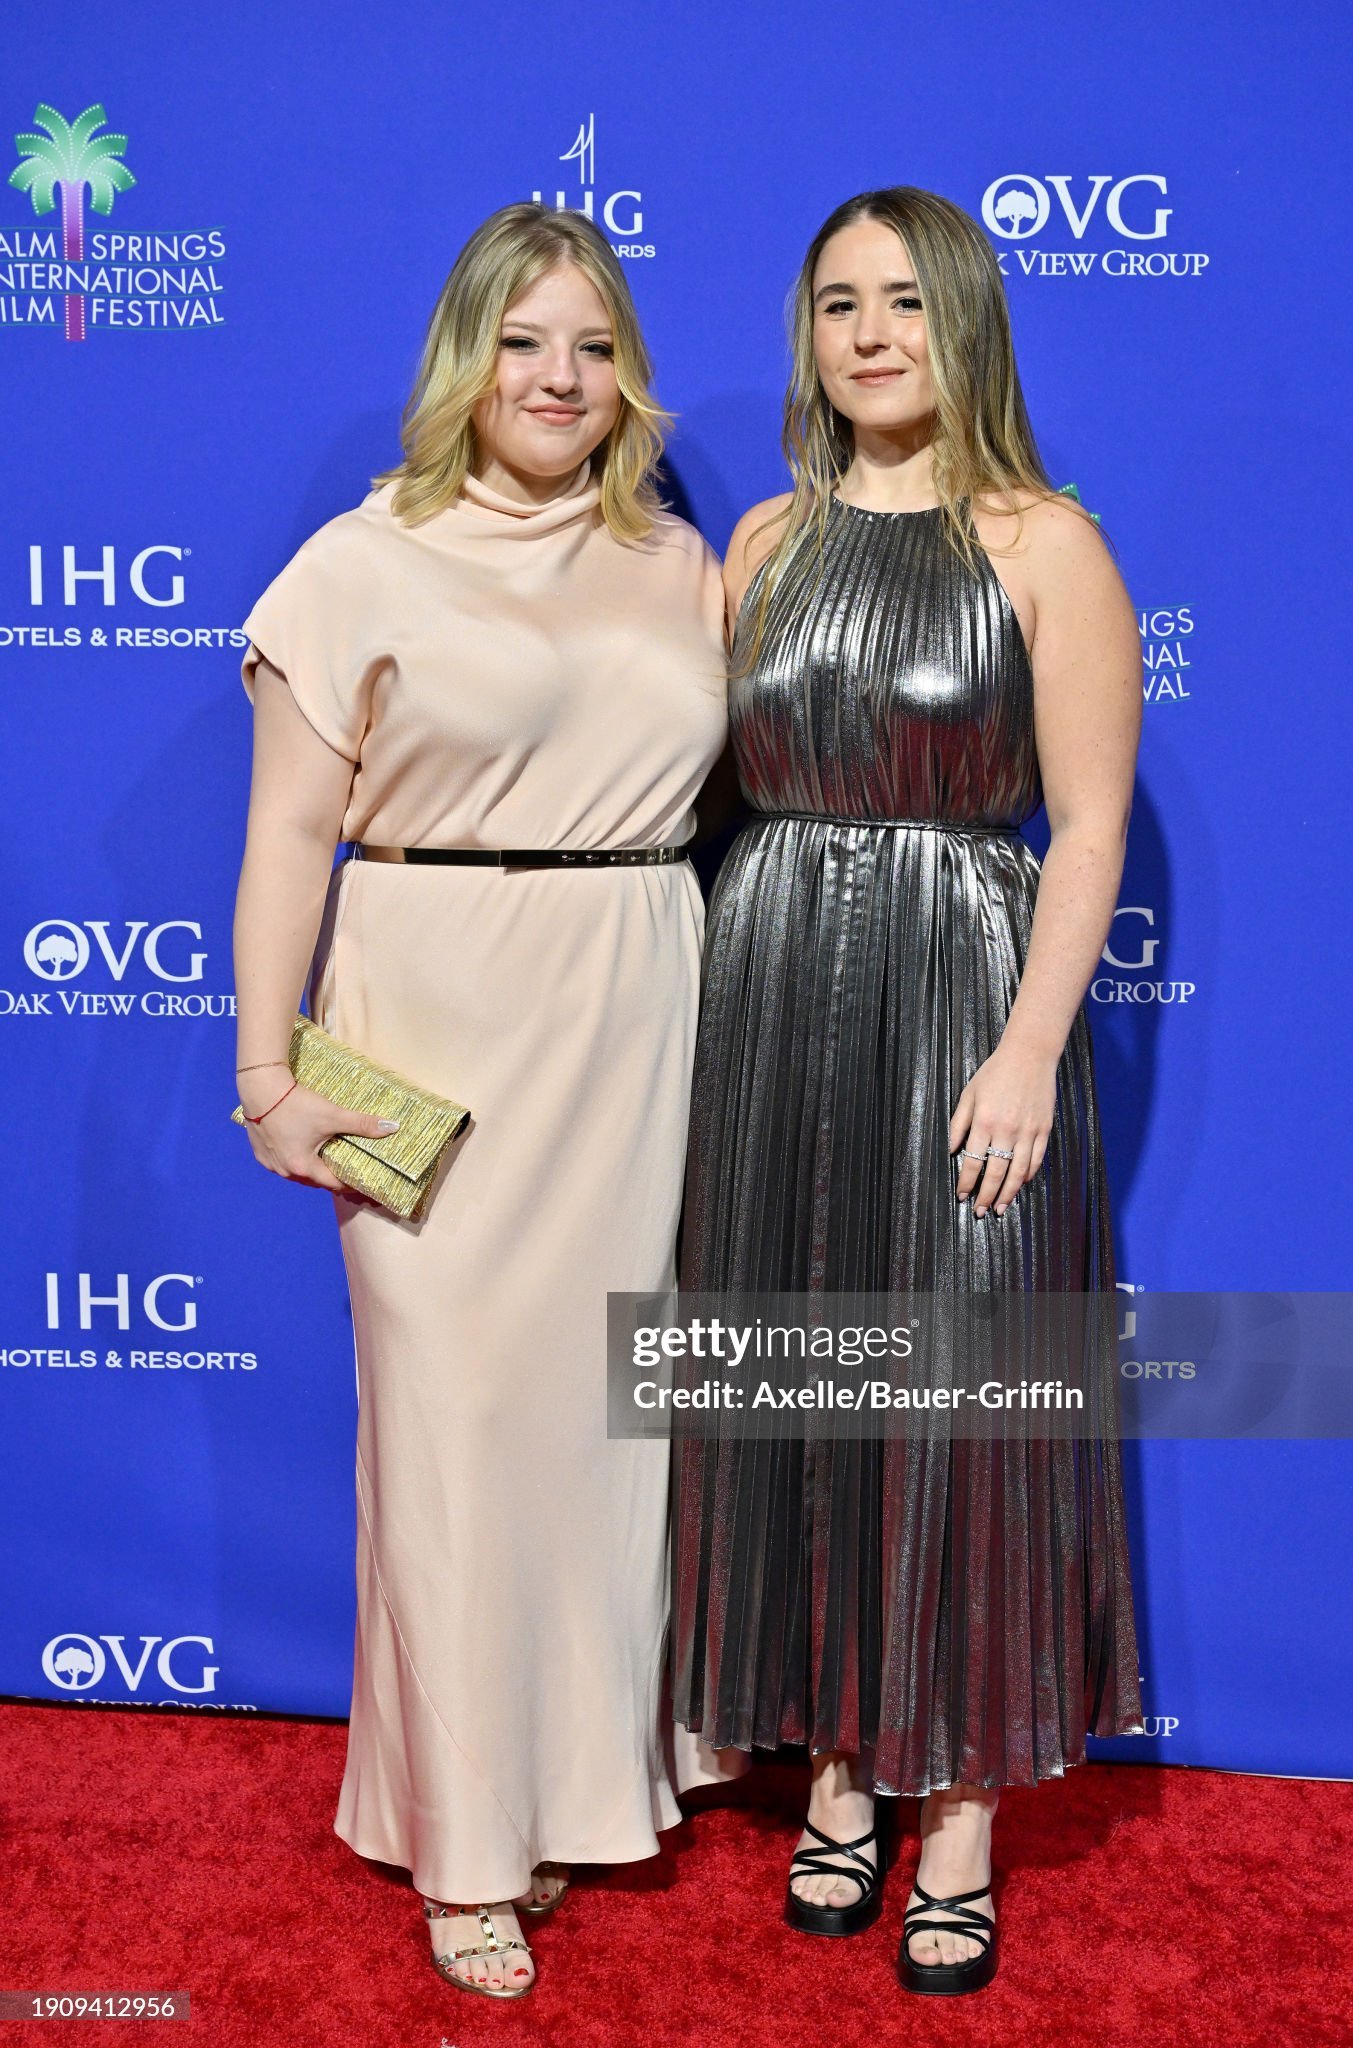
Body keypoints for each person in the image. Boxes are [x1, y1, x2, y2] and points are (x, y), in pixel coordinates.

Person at [232, 202, 727, 2000]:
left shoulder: (679, 562)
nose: (560, 378)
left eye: (594, 346)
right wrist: (266, 1072)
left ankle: (587, 1784)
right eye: (525, 341)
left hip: (635, 1014)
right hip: (430, 1024)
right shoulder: (357, 565)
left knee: (602, 1440)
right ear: (466, 356)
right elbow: (290, 835)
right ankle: (462, 1849)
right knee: (447, 1436)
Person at [670, 186, 1144, 1996]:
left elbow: (1085, 827)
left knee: (958, 1395)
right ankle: (838, 1768)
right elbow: (688, 790)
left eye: (905, 302)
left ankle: (958, 1815)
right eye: (838, 303)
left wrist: (1027, 1047)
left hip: (961, 989)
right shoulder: (766, 541)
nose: (870, 335)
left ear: (966, 323)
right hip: (770, 988)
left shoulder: (1047, 543)